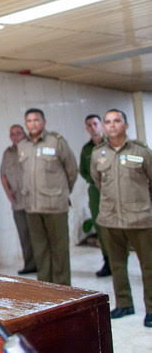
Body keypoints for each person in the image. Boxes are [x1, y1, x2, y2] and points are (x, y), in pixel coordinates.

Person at [91, 109, 152, 328]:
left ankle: (151, 309)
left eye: (117, 121)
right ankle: (124, 303)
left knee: (148, 266)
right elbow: (98, 182)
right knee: (117, 265)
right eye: (107, 122)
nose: (112, 125)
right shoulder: (99, 154)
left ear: (125, 125)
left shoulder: (141, 151)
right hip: (110, 219)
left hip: (140, 219)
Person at [18, 108, 78, 286]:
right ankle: (46, 289)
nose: (33, 124)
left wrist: (61, 193)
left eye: (36, 120)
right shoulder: (23, 145)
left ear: (44, 122)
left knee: (59, 250)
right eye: (29, 121)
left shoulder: (56, 142)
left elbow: (72, 170)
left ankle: (63, 290)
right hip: (32, 207)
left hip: (55, 206)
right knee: (40, 252)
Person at [0, 124, 36, 275]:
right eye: (12, 134)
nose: (15, 136)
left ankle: (44, 265)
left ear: (24, 134)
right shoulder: (8, 153)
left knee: (37, 235)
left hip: (35, 201)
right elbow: (3, 175)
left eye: (18, 133)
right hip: (17, 201)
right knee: (24, 235)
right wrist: (8, 193)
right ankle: (30, 265)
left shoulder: (32, 147)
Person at [80, 114, 111, 277]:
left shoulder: (112, 144)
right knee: (101, 227)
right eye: (89, 125)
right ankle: (108, 261)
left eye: (95, 124)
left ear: (101, 125)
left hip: (114, 191)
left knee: (119, 228)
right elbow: (82, 171)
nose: (92, 127)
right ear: (86, 128)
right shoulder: (86, 149)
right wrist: (94, 181)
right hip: (96, 193)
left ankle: (120, 261)